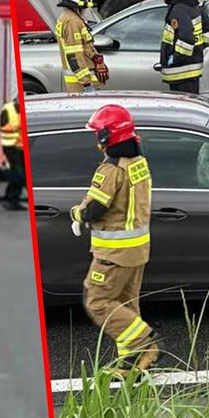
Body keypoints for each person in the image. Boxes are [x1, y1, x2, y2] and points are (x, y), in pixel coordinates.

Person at [70, 104, 159, 376]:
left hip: (114, 252)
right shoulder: (138, 163)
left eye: (99, 134)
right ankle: (131, 366)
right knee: (126, 306)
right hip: (137, 250)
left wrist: (77, 213)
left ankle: (144, 342)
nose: (96, 138)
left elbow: (94, 209)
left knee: (97, 301)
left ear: (108, 137)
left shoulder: (110, 170)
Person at [152, 0, 209, 95]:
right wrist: (199, 49)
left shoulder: (178, 10)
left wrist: (175, 59)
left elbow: (186, 38)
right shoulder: (193, 6)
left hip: (180, 73)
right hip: (192, 71)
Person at [55, 0, 107, 95]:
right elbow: (74, 55)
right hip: (80, 86)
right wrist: (87, 84)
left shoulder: (70, 17)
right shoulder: (72, 21)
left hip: (80, 84)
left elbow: (83, 48)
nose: (91, 1)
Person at [0, 97, 26, 211]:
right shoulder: (8, 109)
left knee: (17, 172)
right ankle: (12, 200)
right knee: (18, 173)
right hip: (10, 145)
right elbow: (3, 126)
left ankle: (11, 197)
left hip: (19, 146)